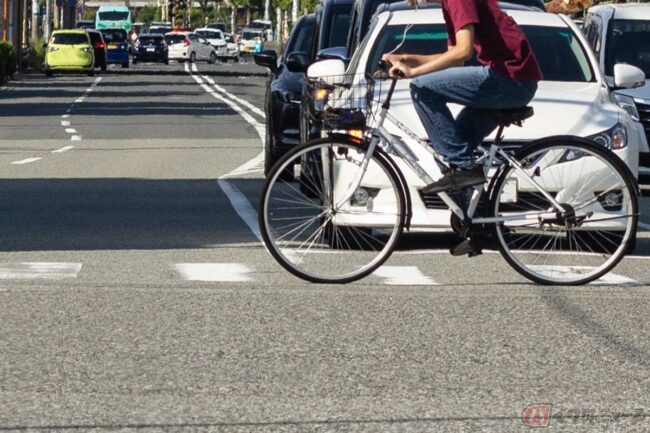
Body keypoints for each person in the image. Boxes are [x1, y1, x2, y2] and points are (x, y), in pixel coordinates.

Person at [382, 0, 542, 193]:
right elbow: (453, 57)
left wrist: (414, 73)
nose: (411, 2)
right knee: (450, 150)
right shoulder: (449, 5)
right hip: (513, 81)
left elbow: (463, 52)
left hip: (510, 80)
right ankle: (470, 206)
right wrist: (406, 59)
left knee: (421, 88)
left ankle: (465, 167)